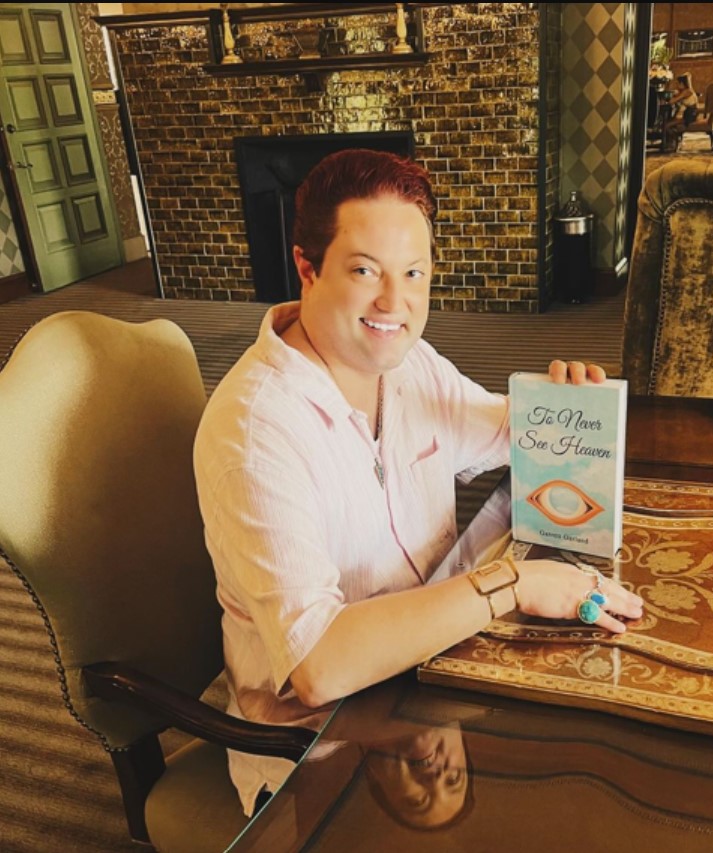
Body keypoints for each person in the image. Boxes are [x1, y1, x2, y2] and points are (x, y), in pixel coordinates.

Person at [193, 148, 644, 816]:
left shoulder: (408, 364)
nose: (394, 302)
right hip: (317, 748)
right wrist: (510, 583)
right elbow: (319, 665)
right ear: (307, 267)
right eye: (365, 270)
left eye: (414, 273)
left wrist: (566, 410)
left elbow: (501, 430)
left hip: (433, 671)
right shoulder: (256, 432)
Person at [665, 73, 699, 149]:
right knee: (669, 121)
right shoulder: (686, 90)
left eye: (678, 83)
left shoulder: (687, 92)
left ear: (682, 83)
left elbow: (672, 101)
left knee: (666, 125)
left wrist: (673, 96)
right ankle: (673, 141)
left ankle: (676, 140)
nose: (677, 85)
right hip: (689, 114)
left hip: (689, 116)